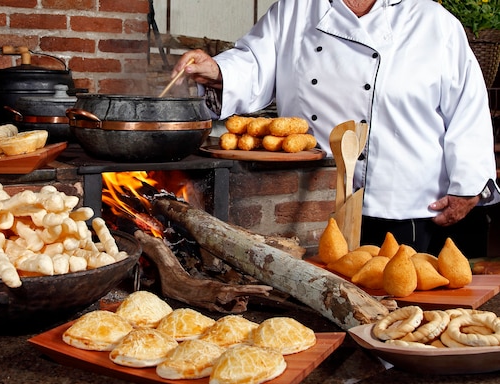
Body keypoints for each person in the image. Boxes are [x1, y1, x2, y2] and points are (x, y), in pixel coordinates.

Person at [171, 0, 499, 257]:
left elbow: (467, 106)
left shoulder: (433, 21)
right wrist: (217, 71)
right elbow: (253, 63)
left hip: (404, 199)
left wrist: (468, 184)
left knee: (400, 310)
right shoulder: (293, 11)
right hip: (315, 198)